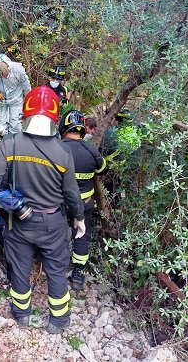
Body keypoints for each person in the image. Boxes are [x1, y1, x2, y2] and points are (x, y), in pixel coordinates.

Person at [0, 85, 85, 334]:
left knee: (19, 268)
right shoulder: (63, 152)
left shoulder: (11, 143)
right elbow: (71, 194)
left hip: (18, 220)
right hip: (52, 222)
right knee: (56, 271)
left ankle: (21, 315)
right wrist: (79, 217)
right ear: (54, 116)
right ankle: (58, 321)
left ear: (25, 112)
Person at [59, 110, 107, 291]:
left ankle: (53, 267)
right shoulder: (91, 151)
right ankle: (78, 274)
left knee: (55, 233)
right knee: (81, 235)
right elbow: (102, 169)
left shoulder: (56, 148)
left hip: (59, 203)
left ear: (63, 126)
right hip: (84, 203)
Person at [0, 54, 32, 134]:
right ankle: (3, 139)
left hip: (15, 99)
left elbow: (26, 85)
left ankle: (15, 139)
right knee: (1, 122)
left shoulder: (18, 69)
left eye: (5, 74)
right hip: (0, 99)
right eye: (2, 75)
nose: (4, 76)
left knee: (15, 122)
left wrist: (29, 99)